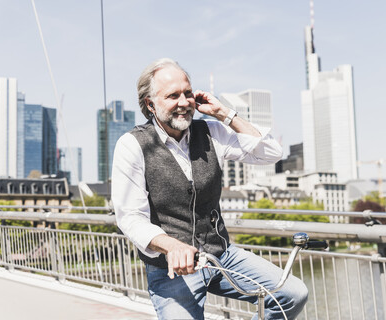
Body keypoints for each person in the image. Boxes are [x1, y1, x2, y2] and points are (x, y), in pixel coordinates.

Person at [111, 58, 308, 320]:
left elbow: (271, 153)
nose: (183, 102)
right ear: (150, 103)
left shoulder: (212, 132)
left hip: (221, 256)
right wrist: (172, 246)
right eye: (173, 96)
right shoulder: (132, 145)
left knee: (292, 294)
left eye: (187, 93)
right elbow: (130, 217)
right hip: (172, 269)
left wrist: (224, 113)